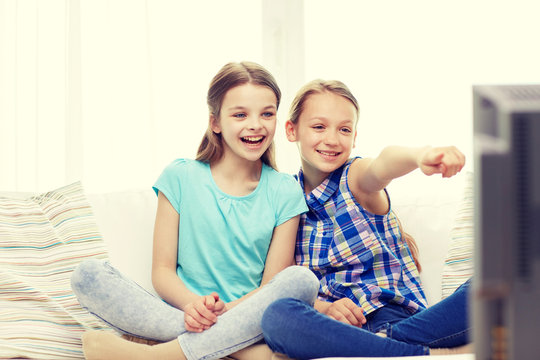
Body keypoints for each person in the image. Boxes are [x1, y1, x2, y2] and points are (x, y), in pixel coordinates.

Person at [70, 62, 320, 360]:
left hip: (247, 314)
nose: (256, 124)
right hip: (182, 312)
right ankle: (237, 350)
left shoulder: (284, 190)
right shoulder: (180, 176)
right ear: (215, 122)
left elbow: (271, 287)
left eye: (267, 114)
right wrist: (194, 308)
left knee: (302, 281)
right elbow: (162, 271)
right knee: (87, 274)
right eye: (240, 114)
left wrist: (224, 314)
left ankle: (160, 354)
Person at [261, 79, 472, 358]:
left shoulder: (355, 177)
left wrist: (419, 155)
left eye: (344, 129)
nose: (332, 139)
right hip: (338, 329)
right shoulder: (285, 199)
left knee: (500, 281)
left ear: (355, 137)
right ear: (292, 130)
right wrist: (323, 308)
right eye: (319, 126)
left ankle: (391, 345)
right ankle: (410, 354)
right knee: (277, 314)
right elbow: (281, 284)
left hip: (401, 323)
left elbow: (383, 164)